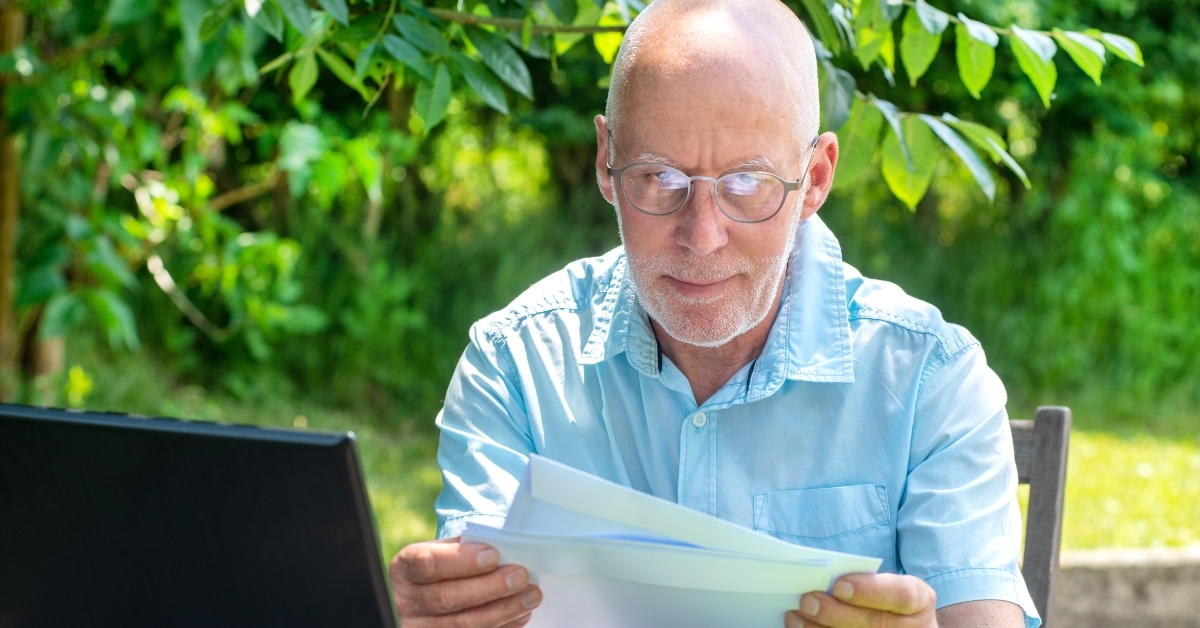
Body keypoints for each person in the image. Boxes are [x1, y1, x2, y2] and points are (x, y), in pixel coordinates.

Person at [388, 0, 1039, 626]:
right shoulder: (516, 367)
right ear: (606, 164)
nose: (701, 237)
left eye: (747, 184)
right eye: (659, 178)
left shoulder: (931, 380)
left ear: (814, 179)